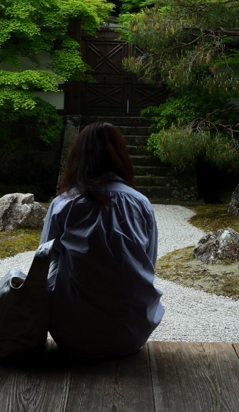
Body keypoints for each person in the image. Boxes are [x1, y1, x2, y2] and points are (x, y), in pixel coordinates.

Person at [40, 121, 164, 358]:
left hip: (71, 334)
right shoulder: (140, 204)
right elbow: (149, 263)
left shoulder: (63, 204)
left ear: (78, 156)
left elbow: (44, 262)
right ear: (121, 156)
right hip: (130, 334)